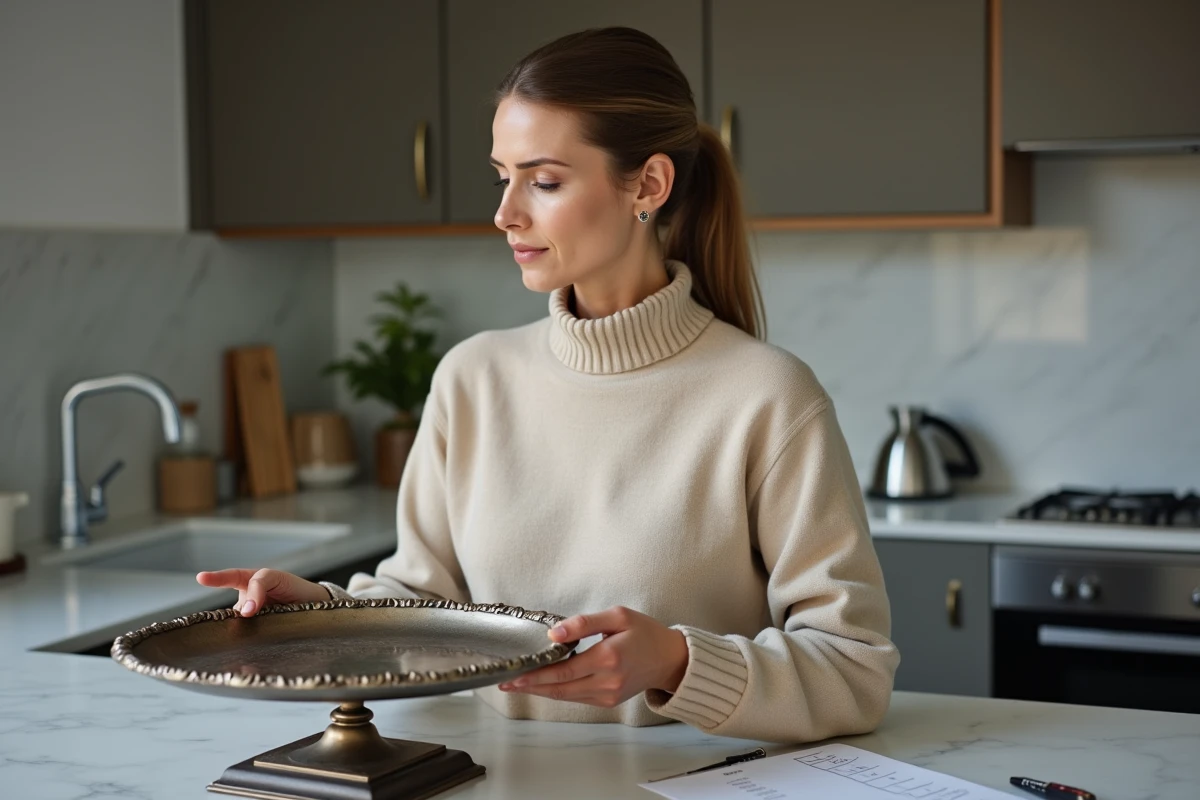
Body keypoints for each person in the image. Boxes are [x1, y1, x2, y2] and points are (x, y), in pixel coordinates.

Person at [197, 27, 899, 744]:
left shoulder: (769, 397)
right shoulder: (472, 379)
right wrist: (316, 610)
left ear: (648, 186)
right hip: (492, 777)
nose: (505, 213)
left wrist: (679, 663)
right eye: (502, 175)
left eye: (545, 180)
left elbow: (854, 671)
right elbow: (421, 606)